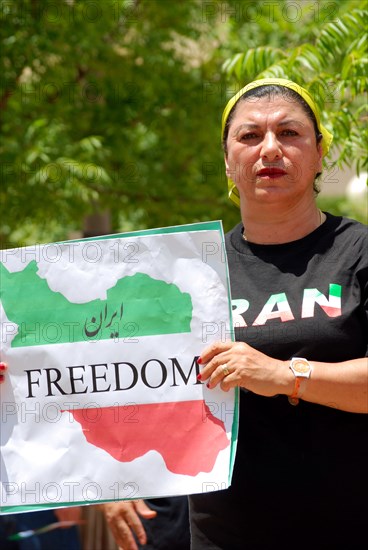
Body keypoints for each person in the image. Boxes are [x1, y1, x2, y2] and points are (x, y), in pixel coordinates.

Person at [190, 78, 368, 549]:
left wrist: (286, 375)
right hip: (223, 535)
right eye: (249, 136)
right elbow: (125, 380)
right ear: (228, 161)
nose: (270, 149)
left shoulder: (359, 251)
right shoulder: (189, 274)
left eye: (289, 133)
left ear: (319, 153)